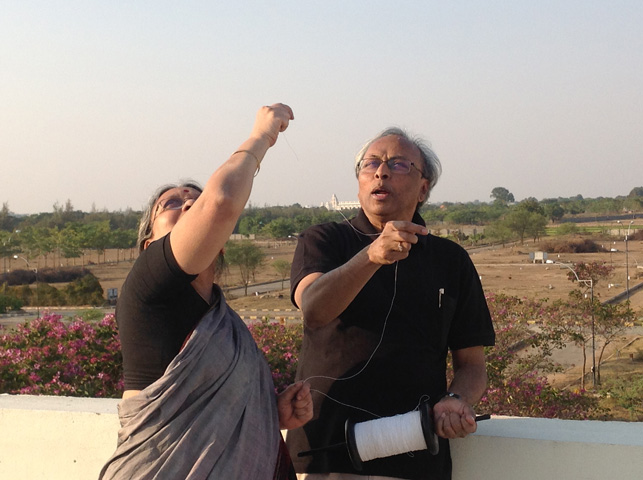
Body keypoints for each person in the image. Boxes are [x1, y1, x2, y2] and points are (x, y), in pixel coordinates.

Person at [100, 103, 313, 480]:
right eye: (171, 203)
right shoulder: (146, 289)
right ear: (150, 245)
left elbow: (217, 412)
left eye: (193, 199)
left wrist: (270, 411)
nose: (188, 203)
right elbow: (221, 201)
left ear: (221, 246)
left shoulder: (225, 323)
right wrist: (262, 137)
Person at [287, 128, 495, 480]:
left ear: (424, 188)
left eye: (398, 164)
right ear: (358, 183)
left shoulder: (450, 260)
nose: (381, 173)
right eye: (371, 164)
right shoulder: (323, 240)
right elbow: (314, 308)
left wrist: (457, 398)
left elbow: (473, 365)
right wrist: (371, 256)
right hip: (325, 453)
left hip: (415, 454)